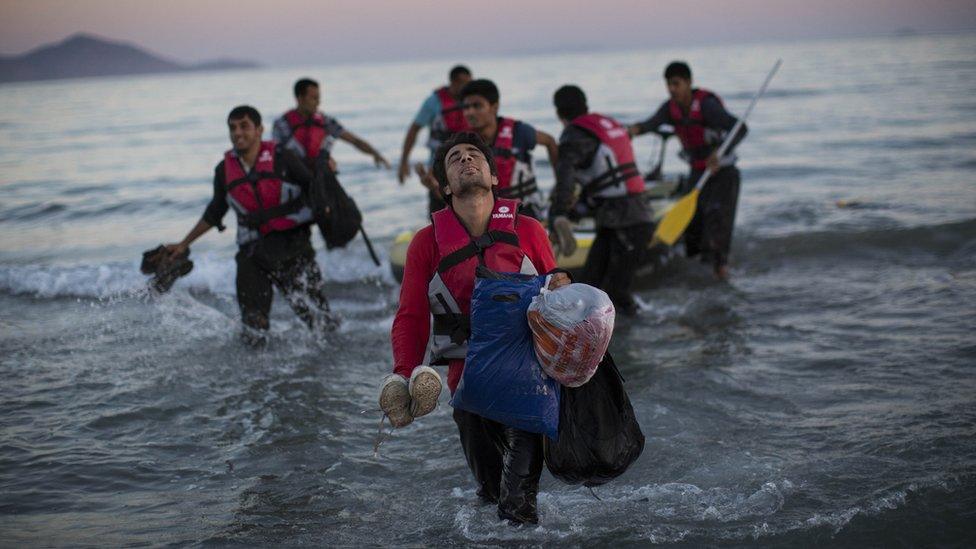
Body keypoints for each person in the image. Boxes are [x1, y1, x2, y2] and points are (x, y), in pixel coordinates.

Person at [384, 132, 569, 525]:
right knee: (488, 498)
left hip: (529, 386)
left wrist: (564, 284)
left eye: (474, 156)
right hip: (469, 389)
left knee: (517, 510)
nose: (466, 160)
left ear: (494, 177)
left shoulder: (530, 230)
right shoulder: (426, 244)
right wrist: (404, 374)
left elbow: (557, 302)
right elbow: (411, 316)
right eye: (455, 158)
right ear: (446, 185)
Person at [165, 105, 336, 344]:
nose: (238, 133)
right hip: (252, 255)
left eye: (244, 126)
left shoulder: (283, 157)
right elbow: (215, 212)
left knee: (319, 322)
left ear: (259, 130)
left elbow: (315, 189)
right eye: (232, 128)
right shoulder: (224, 170)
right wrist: (184, 244)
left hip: (293, 249)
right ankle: (259, 379)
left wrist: (326, 174)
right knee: (253, 328)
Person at [628, 61, 747, 279]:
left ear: (689, 82)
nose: (672, 89)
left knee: (718, 220)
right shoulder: (670, 108)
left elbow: (741, 128)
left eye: (676, 84)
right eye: (669, 85)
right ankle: (699, 272)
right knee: (694, 222)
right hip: (697, 171)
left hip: (723, 173)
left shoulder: (707, 106)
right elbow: (651, 124)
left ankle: (721, 271)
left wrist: (720, 152)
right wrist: (631, 131)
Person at [548, 85, 653, 317]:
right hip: (632, 216)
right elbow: (602, 180)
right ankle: (600, 337)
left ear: (558, 114)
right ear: (585, 105)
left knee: (616, 293)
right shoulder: (606, 124)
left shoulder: (573, 135)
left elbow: (565, 182)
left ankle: (634, 340)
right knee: (590, 286)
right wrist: (578, 209)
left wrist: (558, 215)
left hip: (626, 221)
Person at [459, 78, 558, 220]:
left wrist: (559, 187)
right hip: (487, 214)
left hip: (526, 210)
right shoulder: (464, 143)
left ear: (494, 107)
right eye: (466, 107)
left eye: (477, 106)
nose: (470, 112)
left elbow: (550, 141)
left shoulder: (519, 132)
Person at [273, 78, 390, 175]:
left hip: (323, 176)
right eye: (313, 98)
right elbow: (277, 155)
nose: (318, 102)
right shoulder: (282, 124)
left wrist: (375, 153)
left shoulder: (325, 121)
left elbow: (354, 140)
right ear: (300, 98)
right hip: (294, 177)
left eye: (318, 98)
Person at [397, 65, 473, 214]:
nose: (468, 87)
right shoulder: (433, 102)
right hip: (439, 169)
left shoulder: (472, 103)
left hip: (467, 165)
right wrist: (403, 161)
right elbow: (414, 129)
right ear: (454, 82)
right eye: (465, 83)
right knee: (440, 212)